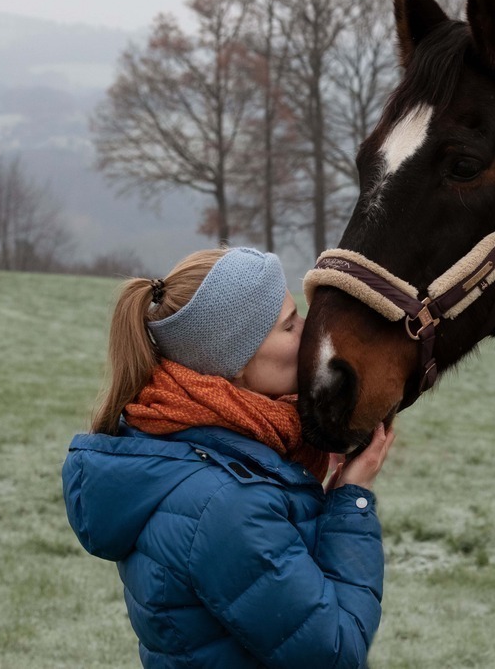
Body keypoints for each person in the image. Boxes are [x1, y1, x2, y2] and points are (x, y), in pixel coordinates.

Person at [62, 247, 394, 668]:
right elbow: (334, 653)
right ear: (234, 361)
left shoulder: (194, 448)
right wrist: (352, 499)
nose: (309, 330)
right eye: (289, 324)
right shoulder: (225, 503)